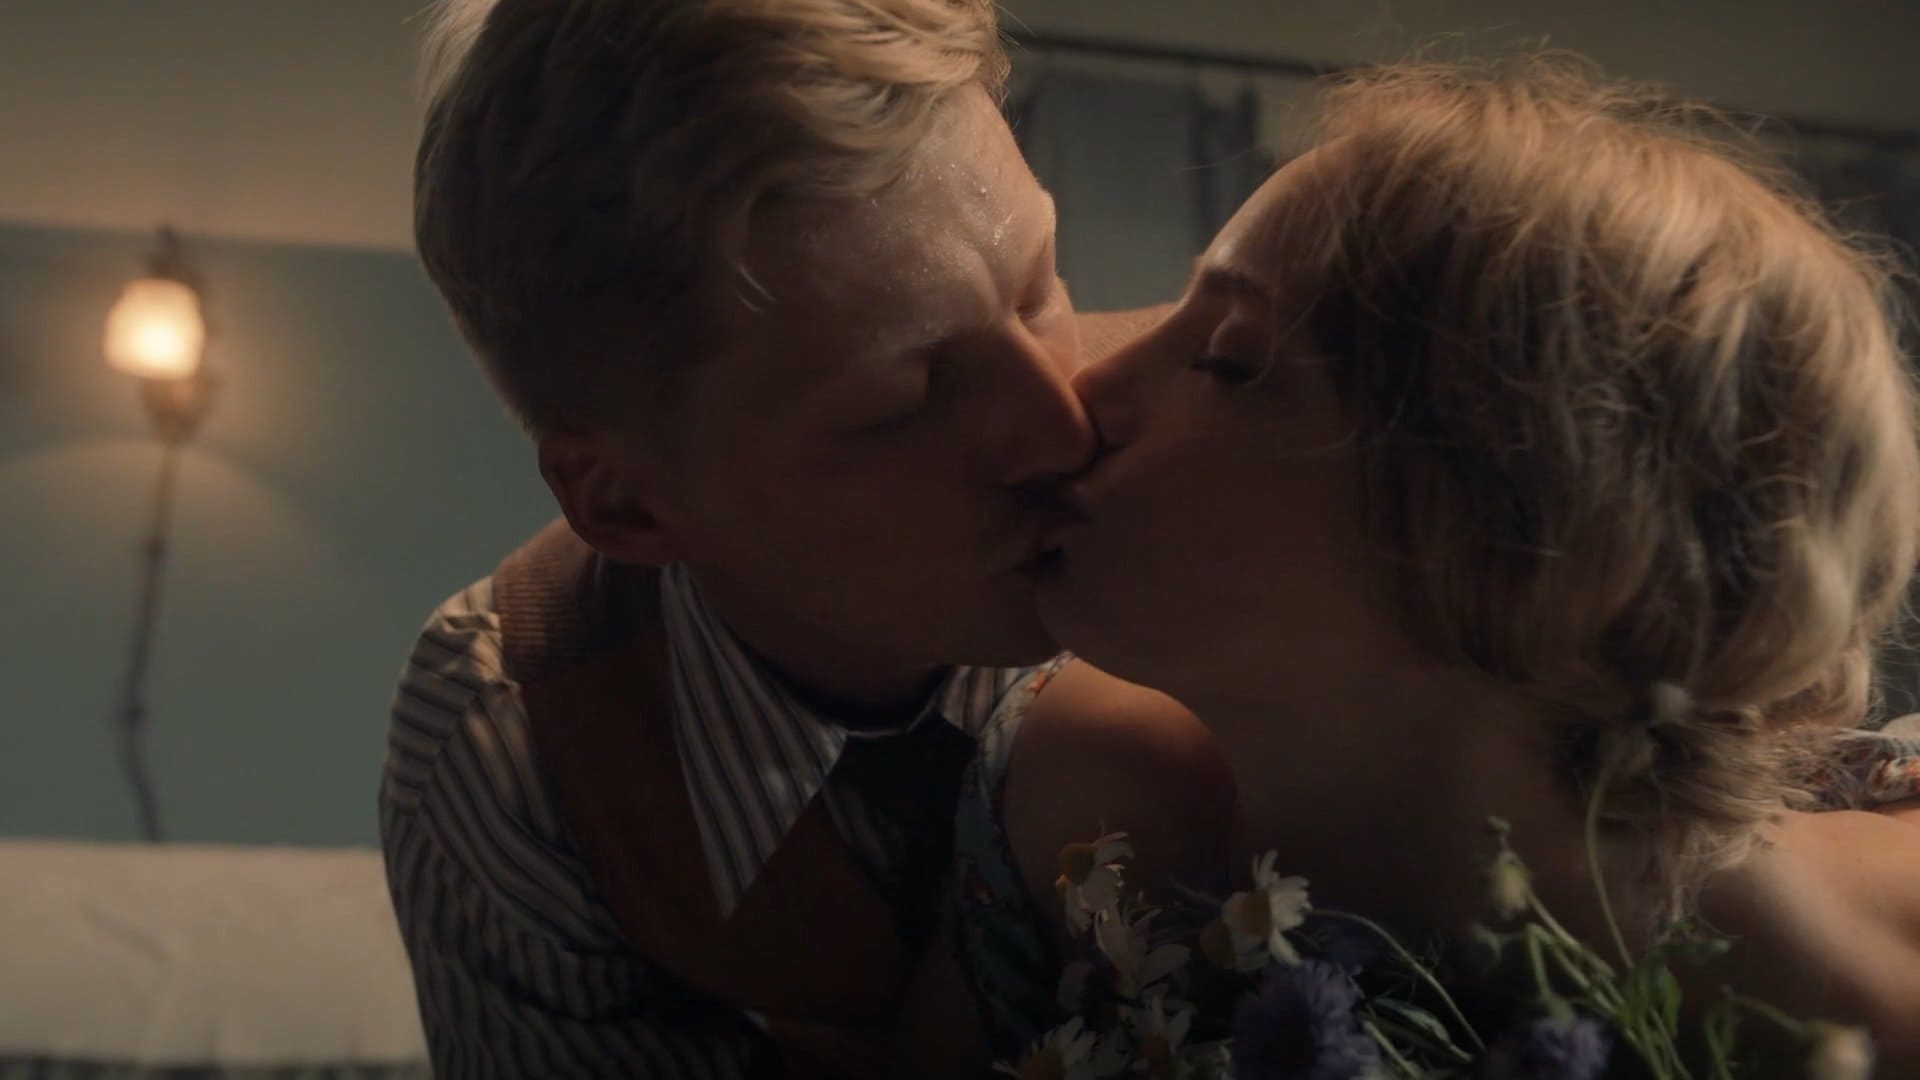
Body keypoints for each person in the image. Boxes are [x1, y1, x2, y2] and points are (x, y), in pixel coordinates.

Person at [937, 58, 1920, 1073]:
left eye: (1229, 357)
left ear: (1524, 543)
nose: (1088, 389)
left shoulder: (1858, 1010)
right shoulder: (1085, 822)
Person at [378, 0, 1211, 1075]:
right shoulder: (517, 750)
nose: (1060, 431)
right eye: (903, 399)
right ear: (630, 505)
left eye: (1038, 285)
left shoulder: (1254, 459)